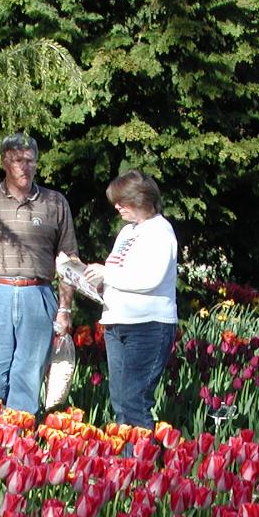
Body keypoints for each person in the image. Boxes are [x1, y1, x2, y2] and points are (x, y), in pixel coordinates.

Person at [0, 133, 78, 414]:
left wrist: (65, 310)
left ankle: (20, 447)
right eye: (17, 160)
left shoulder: (55, 203)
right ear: (4, 162)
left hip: (37, 295)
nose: (24, 166)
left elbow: (69, 260)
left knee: (28, 380)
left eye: (30, 160)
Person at [82, 170, 178, 431]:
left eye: (121, 201)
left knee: (135, 402)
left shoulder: (160, 231)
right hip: (117, 323)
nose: (116, 206)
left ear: (140, 199)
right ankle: (125, 466)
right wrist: (91, 279)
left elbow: (150, 279)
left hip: (148, 326)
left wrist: (107, 273)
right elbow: (118, 274)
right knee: (120, 401)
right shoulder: (127, 232)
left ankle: (141, 466)